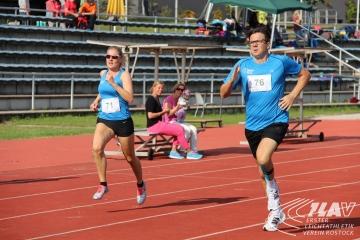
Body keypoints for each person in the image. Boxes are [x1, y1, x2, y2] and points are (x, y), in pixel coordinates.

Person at [220, 25, 311, 231]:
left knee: (263, 158)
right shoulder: (242, 65)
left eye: (258, 41)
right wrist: (232, 81)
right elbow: (223, 93)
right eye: (251, 42)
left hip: (276, 120)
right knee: (263, 171)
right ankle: (276, 211)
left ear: (267, 44)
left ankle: (273, 201)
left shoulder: (280, 62)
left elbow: (305, 75)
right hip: (252, 126)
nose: (254, 45)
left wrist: (292, 95)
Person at [89, 46, 147, 204]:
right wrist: (96, 101)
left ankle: (140, 184)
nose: (110, 59)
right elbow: (103, 91)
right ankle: (103, 184)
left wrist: (115, 84)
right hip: (105, 118)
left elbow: (130, 98)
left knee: (129, 157)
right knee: (96, 148)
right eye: (108, 56)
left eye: (114, 57)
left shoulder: (124, 75)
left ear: (120, 59)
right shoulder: (103, 73)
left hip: (122, 121)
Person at [145, 81, 202, 160]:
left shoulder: (156, 98)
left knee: (177, 129)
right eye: (159, 88)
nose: (161, 90)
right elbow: (150, 115)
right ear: (153, 87)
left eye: (162, 88)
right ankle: (188, 152)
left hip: (158, 124)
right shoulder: (151, 99)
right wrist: (163, 111)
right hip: (154, 126)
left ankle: (174, 151)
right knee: (180, 129)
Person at [163, 83, 203, 159]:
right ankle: (182, 149)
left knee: (193, 128)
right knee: (186, 129)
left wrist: (185, 108)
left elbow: (180, 113)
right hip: (169, 122)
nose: (180, 91)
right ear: (175, 89)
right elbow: (168, 114)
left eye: (182, 90)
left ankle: (194, 150)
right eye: (179, 89)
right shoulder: (169, 99)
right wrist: (178, 108)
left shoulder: (179, 99)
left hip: (177, 121)